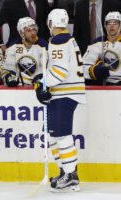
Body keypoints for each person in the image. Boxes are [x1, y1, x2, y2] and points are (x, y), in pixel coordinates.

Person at [33, 9, 86, 192]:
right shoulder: (68, 39)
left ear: (50, 23)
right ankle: (65, 172)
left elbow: (60, 72)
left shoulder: (59, 40)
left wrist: (42, 82)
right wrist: (43, 79)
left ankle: (71, 176)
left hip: (65, 93)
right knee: (53, 135)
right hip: (63, 93)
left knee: (62, 135)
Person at [2, 17, 48, 87]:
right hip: (18, 88)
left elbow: (50, 70)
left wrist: (44, 80)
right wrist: (9, 77)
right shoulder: (12, 47)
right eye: (28, 30)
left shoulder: (45, 46)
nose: (33, 33)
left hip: (39, 87)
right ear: (21, 33)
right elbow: (6, 70)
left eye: (34, 29)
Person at [83, 11, 121, 85]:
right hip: (103, 86)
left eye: (115, 23)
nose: (111, 26)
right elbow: (82, 67)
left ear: (120, 25)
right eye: (109, 23)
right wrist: (94, 71)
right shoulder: (96, 43)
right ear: (105, 25)